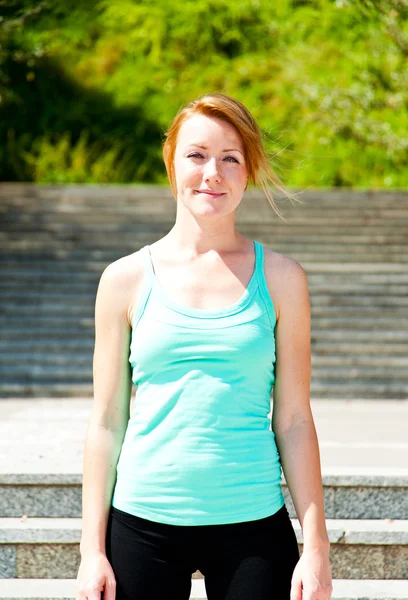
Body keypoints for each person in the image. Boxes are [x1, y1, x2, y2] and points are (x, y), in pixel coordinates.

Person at [76, 93, 332, 600]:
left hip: (253, 525)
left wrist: (317, 547)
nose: (211, 172)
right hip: (142, 522)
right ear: (171, 161)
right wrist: (91, 550)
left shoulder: (282, 278)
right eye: (196, 154)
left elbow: (295, 420)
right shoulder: (124, 279)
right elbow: (106, 422)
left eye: (230, 158)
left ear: (248, 172)